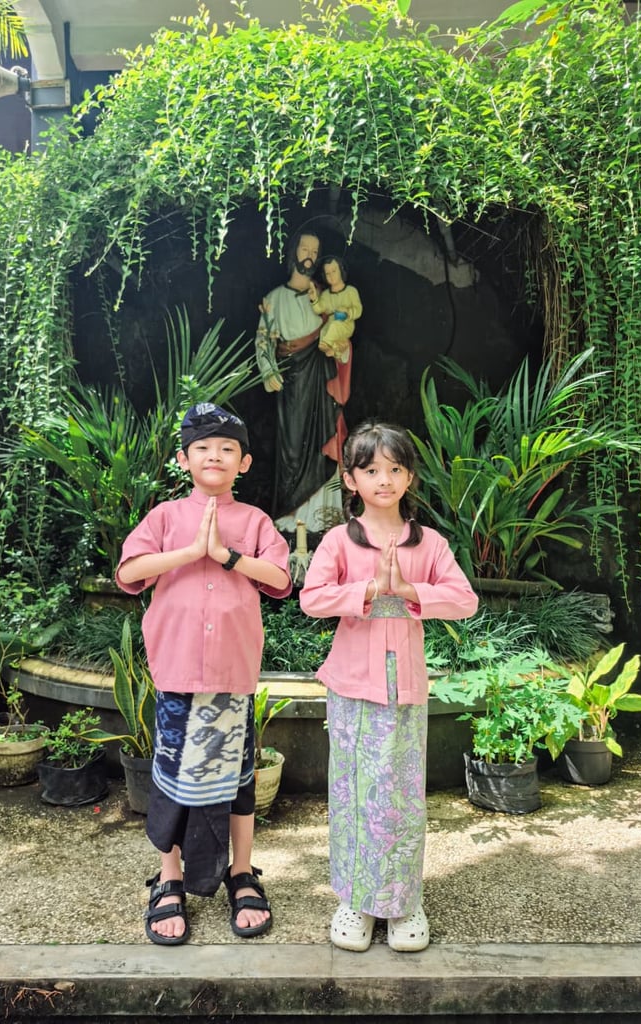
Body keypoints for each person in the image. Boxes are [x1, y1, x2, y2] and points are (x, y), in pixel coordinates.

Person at [115, 402, 292, 946]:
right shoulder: (165, 517)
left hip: (232, 675)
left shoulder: (256, 521)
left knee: (238, 782)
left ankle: (242, 872)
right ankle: (169, 877)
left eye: (227, 450)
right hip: (177, 671)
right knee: (170, 782)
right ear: (183, 458)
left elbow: (280, 580)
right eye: (203, 449)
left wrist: (227, 555)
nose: (214, 456)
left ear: (244, 463)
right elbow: (128, 571)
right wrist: (191, 552)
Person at [299, 421, 478, 952]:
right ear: (350, 479)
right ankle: (354, 899)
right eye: (371, 469)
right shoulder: (339, 540)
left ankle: (403, 902)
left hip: (406, 689)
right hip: (352, 686)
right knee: (353, 793)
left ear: (409, 477)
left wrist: (408, 589)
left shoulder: (429, 543)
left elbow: (465, 601)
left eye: (394, 469)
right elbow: (312, 598)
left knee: (401, 798)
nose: (384, 479)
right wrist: (369, 589)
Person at [255, 232, 352, 532]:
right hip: (294, 384)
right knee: (292, 449)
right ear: (292, 252)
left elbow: (342, 335)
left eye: (315, 250)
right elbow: (263, 342)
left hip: (322, 383)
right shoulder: (274, 299)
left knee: (325, 441)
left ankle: (325, 519)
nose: (309, 255)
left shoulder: (324, 299)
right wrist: (268, 370)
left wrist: (341, 349)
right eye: (304, 248)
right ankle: (289, 519)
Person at [307, 256, 362, 364]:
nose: (331, 276)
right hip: (331, 323)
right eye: (328, 273)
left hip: (346, 323)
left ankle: (327, 345)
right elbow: (319, 309)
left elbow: (358, 309)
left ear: (341, 270)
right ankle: (335, 351)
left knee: (335, 326)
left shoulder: (351, 291)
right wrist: (314, 299)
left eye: (334, 271)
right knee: (324, 330)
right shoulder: (326, 294)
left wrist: (348, 312)